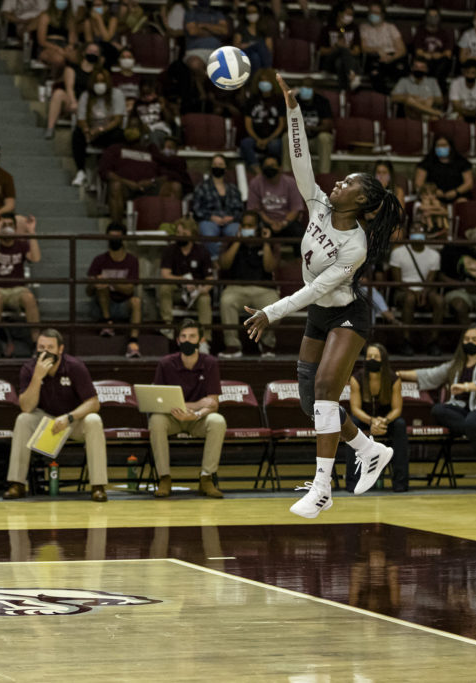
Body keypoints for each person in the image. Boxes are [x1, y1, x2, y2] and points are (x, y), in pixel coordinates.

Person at [243, 73, 402, 519]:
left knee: (328, 395)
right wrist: (292, 110)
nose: (339, 184)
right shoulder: (317, 204)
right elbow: (300, 158)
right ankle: (370, 449)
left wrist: (271, 314)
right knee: (311, 401)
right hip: (319, 314)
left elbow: (316, 288)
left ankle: (323, 488)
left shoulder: (356, 246)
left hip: (348, 315)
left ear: (363, 200)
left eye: (349, 182)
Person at [396, 324, 476, 491]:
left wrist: (466, 387)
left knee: (472, 422)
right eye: (466, 339)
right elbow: (431, 374)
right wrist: (401, 374)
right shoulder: (457, 364)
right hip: (462, 410)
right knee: (438, 410)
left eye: (474, 339)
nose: (469, 342)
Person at [2, 328, 108, 502]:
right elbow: (26, 407)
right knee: (23, 419)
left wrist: (69, 417)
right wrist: (37, 377)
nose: (45, 352)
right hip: (45, 420)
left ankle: (98, 486)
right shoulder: (29, 368)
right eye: (41, 347)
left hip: (72, 421)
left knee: (94, 420)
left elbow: (93, 403)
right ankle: (17, 484)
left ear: (60, 349)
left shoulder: (75, 367)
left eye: (50, 347)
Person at [148, 318, 225, 498]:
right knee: (156, 420)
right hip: (172, 417)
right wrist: (198, 404)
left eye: (192, 336)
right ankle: (164, 477)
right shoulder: (166, 363)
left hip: (197, 419)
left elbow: (213, 403)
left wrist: (196, 413)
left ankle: (206, 478)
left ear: (201, 340)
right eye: (183, 336)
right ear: (177, 340)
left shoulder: (210, 363)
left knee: (218, 421)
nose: (187, 340)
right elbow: (158, 402)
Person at [346, 343, 409, 493]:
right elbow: (355, 409)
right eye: (369, 357)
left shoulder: (393, 379)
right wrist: (371, 421)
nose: (372, 359)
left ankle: (400, 483)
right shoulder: (357, 378)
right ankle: (353, 483)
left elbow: (397, 409)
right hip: (365, 419)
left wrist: (383, 421)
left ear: (383, 360)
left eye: (375, 357)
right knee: (351, 425)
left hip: (386, 420)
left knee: (400, 425)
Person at [218, 212, 278, 358]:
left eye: (250, 225)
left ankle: (267, 344)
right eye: (244, 225)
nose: (247, 228)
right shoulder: (232, 241)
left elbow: (269, 267)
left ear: (258, 227)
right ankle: (233, 346)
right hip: (236, 287)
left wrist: (265, 242)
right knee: (226, 301)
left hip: (263, 288)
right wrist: (238, 242)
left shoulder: (269, 242)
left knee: (275, 305)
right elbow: (224, 264)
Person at [0, 212, 41, 359]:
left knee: (29, 297)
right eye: (4, 225)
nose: (7, 228)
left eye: (10, 225)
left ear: (15, 228)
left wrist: (31, 233)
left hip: (16, 289)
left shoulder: (21, 244)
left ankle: (37, 345)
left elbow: (35, 258)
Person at [98, 122, 181, 224]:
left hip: (150, 187)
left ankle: (171, 229)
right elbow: (106, 172)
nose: (133, 131)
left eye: (136, 128)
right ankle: (117, 228)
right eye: (131, 127)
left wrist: (151, 181)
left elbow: (165, 175)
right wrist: (129, 183)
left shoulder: (151, 151)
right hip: (126, 188)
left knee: (175, 187)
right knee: (115, 186)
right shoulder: (115, 149)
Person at [158, 218, 214, 353]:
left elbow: (210, 279)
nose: (180, 236)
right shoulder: (170, 250)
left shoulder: (202, 251)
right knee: (165, 287)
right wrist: (182, 280)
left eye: (184, 234)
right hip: (178, 290)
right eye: (178, 233)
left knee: (205, 298)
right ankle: (168, 325)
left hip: (195, 293)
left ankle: (204, 340)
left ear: (193, 235)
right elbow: (165, 274)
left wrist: (202, 289)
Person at [86, 222, 141, 358]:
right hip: (103, 305)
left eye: (117, 237)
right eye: (112, 237)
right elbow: (88, 291)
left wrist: (109, 281)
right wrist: (95, 283)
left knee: (136, 301)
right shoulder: (99, 260)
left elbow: (129, 290)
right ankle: (107, 323)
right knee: (102, 288)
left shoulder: (132, 261)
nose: (114, 240)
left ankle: (133, 343)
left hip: (123, 304)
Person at [389, 221, 443, 356]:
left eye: (420, 230)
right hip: (403, 290)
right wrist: (413, 291)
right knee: (410, 298)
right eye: (414, 230)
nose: (417, 232)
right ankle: (405, 341)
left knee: (439, 301)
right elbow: (398, 281)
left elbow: (430, 281)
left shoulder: (434, 255)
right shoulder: (398, 252)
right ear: (409, 233)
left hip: (425, 289)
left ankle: (433, 341)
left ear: (425, 234)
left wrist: (423, 293)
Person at [71, 70, 125, 187]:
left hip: (107, 131)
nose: (99, 84)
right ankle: (81, 171)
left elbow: (117, 120)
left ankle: (108, 170)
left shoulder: (117, 94)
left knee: (118, 135)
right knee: (77, 134)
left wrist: (100, 130)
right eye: (97, 81)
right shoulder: (85, 96)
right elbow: (81, 119)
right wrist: (86, 130)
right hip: (90, 132)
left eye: (102, 81)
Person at [246, 155, 304, 251]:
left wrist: (283, 223)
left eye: (272, 165)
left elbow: (296, 209)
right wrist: (270, 222)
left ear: (280, 168)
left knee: (298, 231)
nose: (269, 168)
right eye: (266, 166)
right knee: (253, 230)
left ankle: (300, 261)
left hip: (287, 221)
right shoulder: (255, 183)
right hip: (265, 221)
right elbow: (255, 210)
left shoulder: (291, 182)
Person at [44, 41, 100, 140]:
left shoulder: (99, 73)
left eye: (95, 52)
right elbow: (69, 88)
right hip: (74, 100)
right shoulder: (72, 69)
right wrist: (74, 102)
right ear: (83, 53)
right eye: (90, 51)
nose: (92, 54)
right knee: (58, 93)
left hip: (91, 103)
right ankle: (50, 128)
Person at [191, 154, 243, 259]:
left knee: (237, 232)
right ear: (211, 167)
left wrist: (232, 218)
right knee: (208, 234)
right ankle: (218, 260)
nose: (217, 166)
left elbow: (240, 209)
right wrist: (211, 217)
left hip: (230, 221)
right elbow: (196, 208)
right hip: (209, 220)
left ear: (225, 167)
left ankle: (231, 259)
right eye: (215, 164)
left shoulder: (233, 188)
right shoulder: (202, 186)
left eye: (220, 164)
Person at [241, 69, 285, 172]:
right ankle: (257, 171)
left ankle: (274, 169)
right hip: (255, 137)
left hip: (273, 137)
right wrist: (257, 139)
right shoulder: (252, 100)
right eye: (261, 80)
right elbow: (248, 124)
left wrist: (267, 140)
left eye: (267, 81)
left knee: (276, 145)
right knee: (245, 143)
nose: (264, 83)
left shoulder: (280, 100)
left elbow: (281, 125)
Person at [359, 2, 407, 93]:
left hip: (392, 57)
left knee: (402, 71)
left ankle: (400, 99)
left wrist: (391, 58)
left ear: (382, 15)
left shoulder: (391, 27)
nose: (373, 15)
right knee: (375, 75)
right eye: (371, 12)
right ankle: (386, 98)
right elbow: (363, 47)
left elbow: (402, 49)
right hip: (374, 58)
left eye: (376, 13)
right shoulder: (363, 28)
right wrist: (377, 50)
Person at [414, 136, 472, 204]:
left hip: (457, 196)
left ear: (450, 147)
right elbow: (418, 183)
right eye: (438, 146)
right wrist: (434, 191)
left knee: (462, 202)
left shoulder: (462, 162)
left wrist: (456, 192)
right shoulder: (426, 162)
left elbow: (469, 183)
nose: (441, 148)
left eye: (444, 145)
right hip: (433, 196)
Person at [319, 1, 362, 91]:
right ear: (339, 13)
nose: (350, 17)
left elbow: (357, 51)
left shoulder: (354, 28)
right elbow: (321, 51)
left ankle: (343, 92)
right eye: (348, 14)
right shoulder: (327, 28)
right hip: (329, 62)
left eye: (351, 15)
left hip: (344, 63)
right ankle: (352, 75)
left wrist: (345, 50)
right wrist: (336, 47)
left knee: (340, 63)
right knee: (341, 50)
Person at [294, 79, 335, 174]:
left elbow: (327, 125)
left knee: (324, 137)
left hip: (315, 141)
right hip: (299, 141)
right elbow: (286, 124)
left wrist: (312, 128)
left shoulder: (322, 102)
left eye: (308, 87)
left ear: (314, 89)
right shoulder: (294, 101)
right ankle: (288, 174)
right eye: (303, 86)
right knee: (286, 137)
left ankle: (324, 174)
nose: (305, 89)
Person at [413, 8, 453, 93]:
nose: (433, 19)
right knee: (423, 62)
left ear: (439, 18)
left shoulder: (444, 33)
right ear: (426, 17)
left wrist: (439, 55)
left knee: (444, 62)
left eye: (435, 16)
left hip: (440, 62)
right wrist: (427, 55)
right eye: (430, 16)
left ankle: (437, 91)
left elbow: (448, 53)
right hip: (425, 60)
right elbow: (418, 52)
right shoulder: (420, 32)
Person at [391, 57, 444, 121]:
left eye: (422, 67)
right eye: (416, 67)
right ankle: (435, 113)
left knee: (431, 103)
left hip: (428, 111)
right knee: (409, 100)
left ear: (426, 69)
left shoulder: (432, 81)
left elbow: (440, 100)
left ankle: (430, 113)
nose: (419, 69)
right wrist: (412, 97)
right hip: (410, 112)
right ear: (412, 68)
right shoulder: (404, 81)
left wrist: (428, 99)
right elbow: (393, 98)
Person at [36, 0, 80, 74]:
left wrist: (70, 46)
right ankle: (53, 81)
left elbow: (72, 40)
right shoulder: (45, 16)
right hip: (48, 46)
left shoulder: (70, 19)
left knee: (78, 58)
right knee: (58, 59)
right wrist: (57, 48)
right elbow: (41, 41)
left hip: (64, 46)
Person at [182, 0, 228, 70]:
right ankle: (204, 79)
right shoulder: (191, 13)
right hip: (195, 52)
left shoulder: (218, 14)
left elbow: (224, 31)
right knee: (195, 64)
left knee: (231, 66)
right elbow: (193, 32)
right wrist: (215, 31)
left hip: (217, 51)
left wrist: (203, 25)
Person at [234, 1, 273, 71]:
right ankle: (268, 70)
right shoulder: (241, 29)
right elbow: (236, 49)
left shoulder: (264, 30)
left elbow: (269, 49)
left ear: (259, 13)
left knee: (255, 56)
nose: (251, 14)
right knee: (259, 45)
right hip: (244, 57)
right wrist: (250, 45)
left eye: (254, 12)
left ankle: (258, 78)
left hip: (259, 58)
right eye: (249, 12)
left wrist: (247, 44)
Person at [448, 59, 476, 123]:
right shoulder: (455, 83)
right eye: (467, 72)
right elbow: (456, 108)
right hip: (459, 115)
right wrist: (474, 113)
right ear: (463, 72)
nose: (470, 76)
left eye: (473, 73)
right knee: (459, 118)